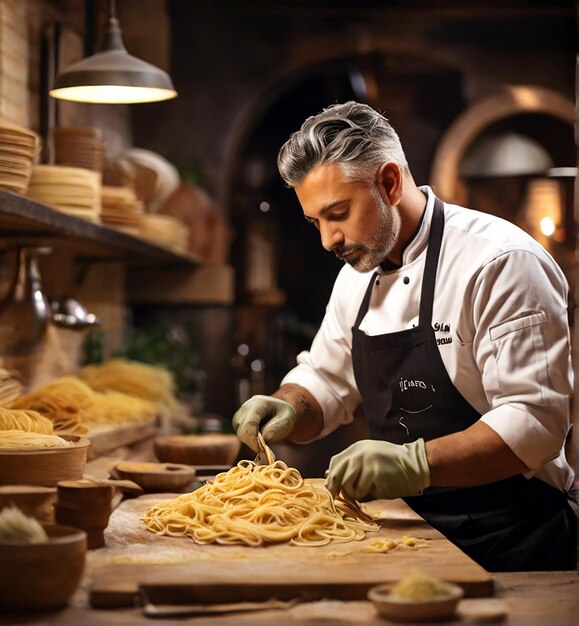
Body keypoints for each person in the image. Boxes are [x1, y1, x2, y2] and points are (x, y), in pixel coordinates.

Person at [232, 101, 577, 572]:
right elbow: (327, 380)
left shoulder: (500, 261)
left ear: (390, 183)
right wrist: (289, 405)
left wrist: (412, 464)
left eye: (338, 213)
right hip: (407, 536)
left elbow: (536, 422)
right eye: (316, 222)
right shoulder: (357, 273)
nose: (327, 240)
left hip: (513, 538)